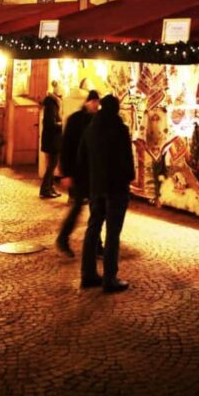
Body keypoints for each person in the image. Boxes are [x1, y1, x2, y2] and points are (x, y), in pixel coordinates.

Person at [77, 93, 135, 293]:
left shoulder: (90, 129)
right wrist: (129, 178)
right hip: (116, 188)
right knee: (112, 233)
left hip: (97, 187)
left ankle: (88, 273)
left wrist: (88, 183)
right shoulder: (120, 129)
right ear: (117, 109)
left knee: (93, 229)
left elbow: (81, 159)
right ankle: (110, 278)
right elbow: (128, 160)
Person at [55, 89, 100, 256]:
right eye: (94, 101)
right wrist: (65, 173)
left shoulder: (96, 120)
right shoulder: (75, 120)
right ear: (87, 102)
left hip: (92, 171)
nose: (96, 105)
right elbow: (66, 147)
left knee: (96, 208)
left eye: (98, 102)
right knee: (79, 207)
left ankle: (95, 244)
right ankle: (63, 238)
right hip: (78, 171)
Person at [39, 82, 63, 199]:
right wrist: (62, 124)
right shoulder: (51, 103)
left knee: (52, 164)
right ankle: (45, 189)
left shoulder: (54, 102)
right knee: (52, 165)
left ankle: (50, 187)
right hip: (52, 139)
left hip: (53, 139)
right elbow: (50, 123)